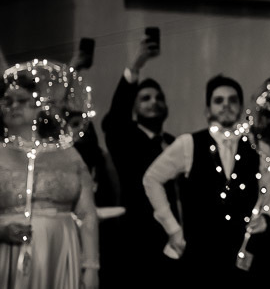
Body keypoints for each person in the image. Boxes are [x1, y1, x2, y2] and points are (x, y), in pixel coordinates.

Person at [143, 74, 270, 286]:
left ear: (241, 106)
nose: (226, 105)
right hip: (199, 255)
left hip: (242, 252)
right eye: (218, 101)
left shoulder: (257, 145)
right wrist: (173, 228)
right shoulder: (189, 143)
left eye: (232, 100)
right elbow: (151, 179)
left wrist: (267, 217)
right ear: (207, 109)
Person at [0, 74, 99, 289]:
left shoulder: (68, 155)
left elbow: (87, 214)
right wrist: (2, 230)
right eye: (7, 101)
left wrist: (91, 267)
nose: (14, 106)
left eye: (22, 100)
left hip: (60, 247)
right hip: (8, 250)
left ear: (38, 105)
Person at [101, 33, 177, 286]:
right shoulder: (125, 138)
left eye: (158, 97)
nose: (153, 102)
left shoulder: (175, 142)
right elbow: (114, 120)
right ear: (133, 108)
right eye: (145, 98)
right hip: (138, 238)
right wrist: (135, 67)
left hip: (177, 238)